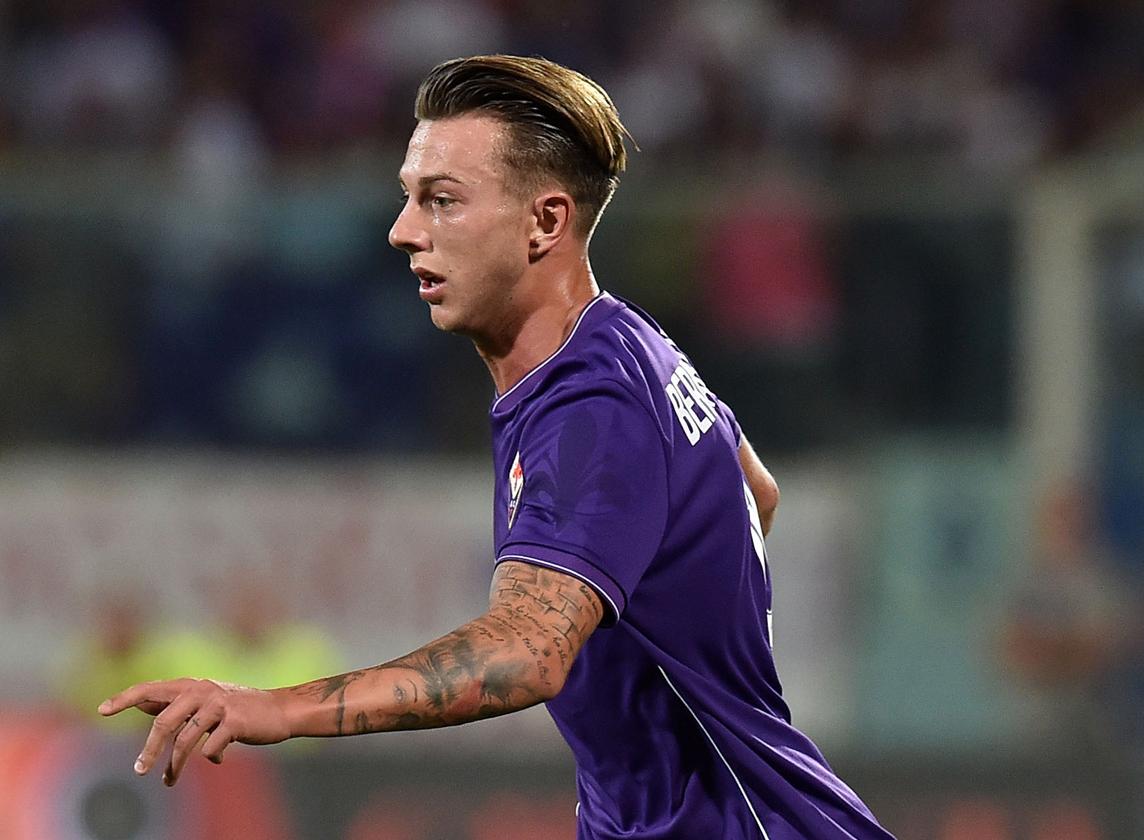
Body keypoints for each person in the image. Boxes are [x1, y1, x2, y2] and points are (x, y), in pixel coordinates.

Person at [100, 54, 895, 839]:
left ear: (545, 222)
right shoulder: (624, 340)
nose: (403, 230)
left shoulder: (590, 406)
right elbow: (755, 491)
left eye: (441, 200)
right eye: (409, 198)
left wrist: (274, 707)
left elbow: (527, 650)